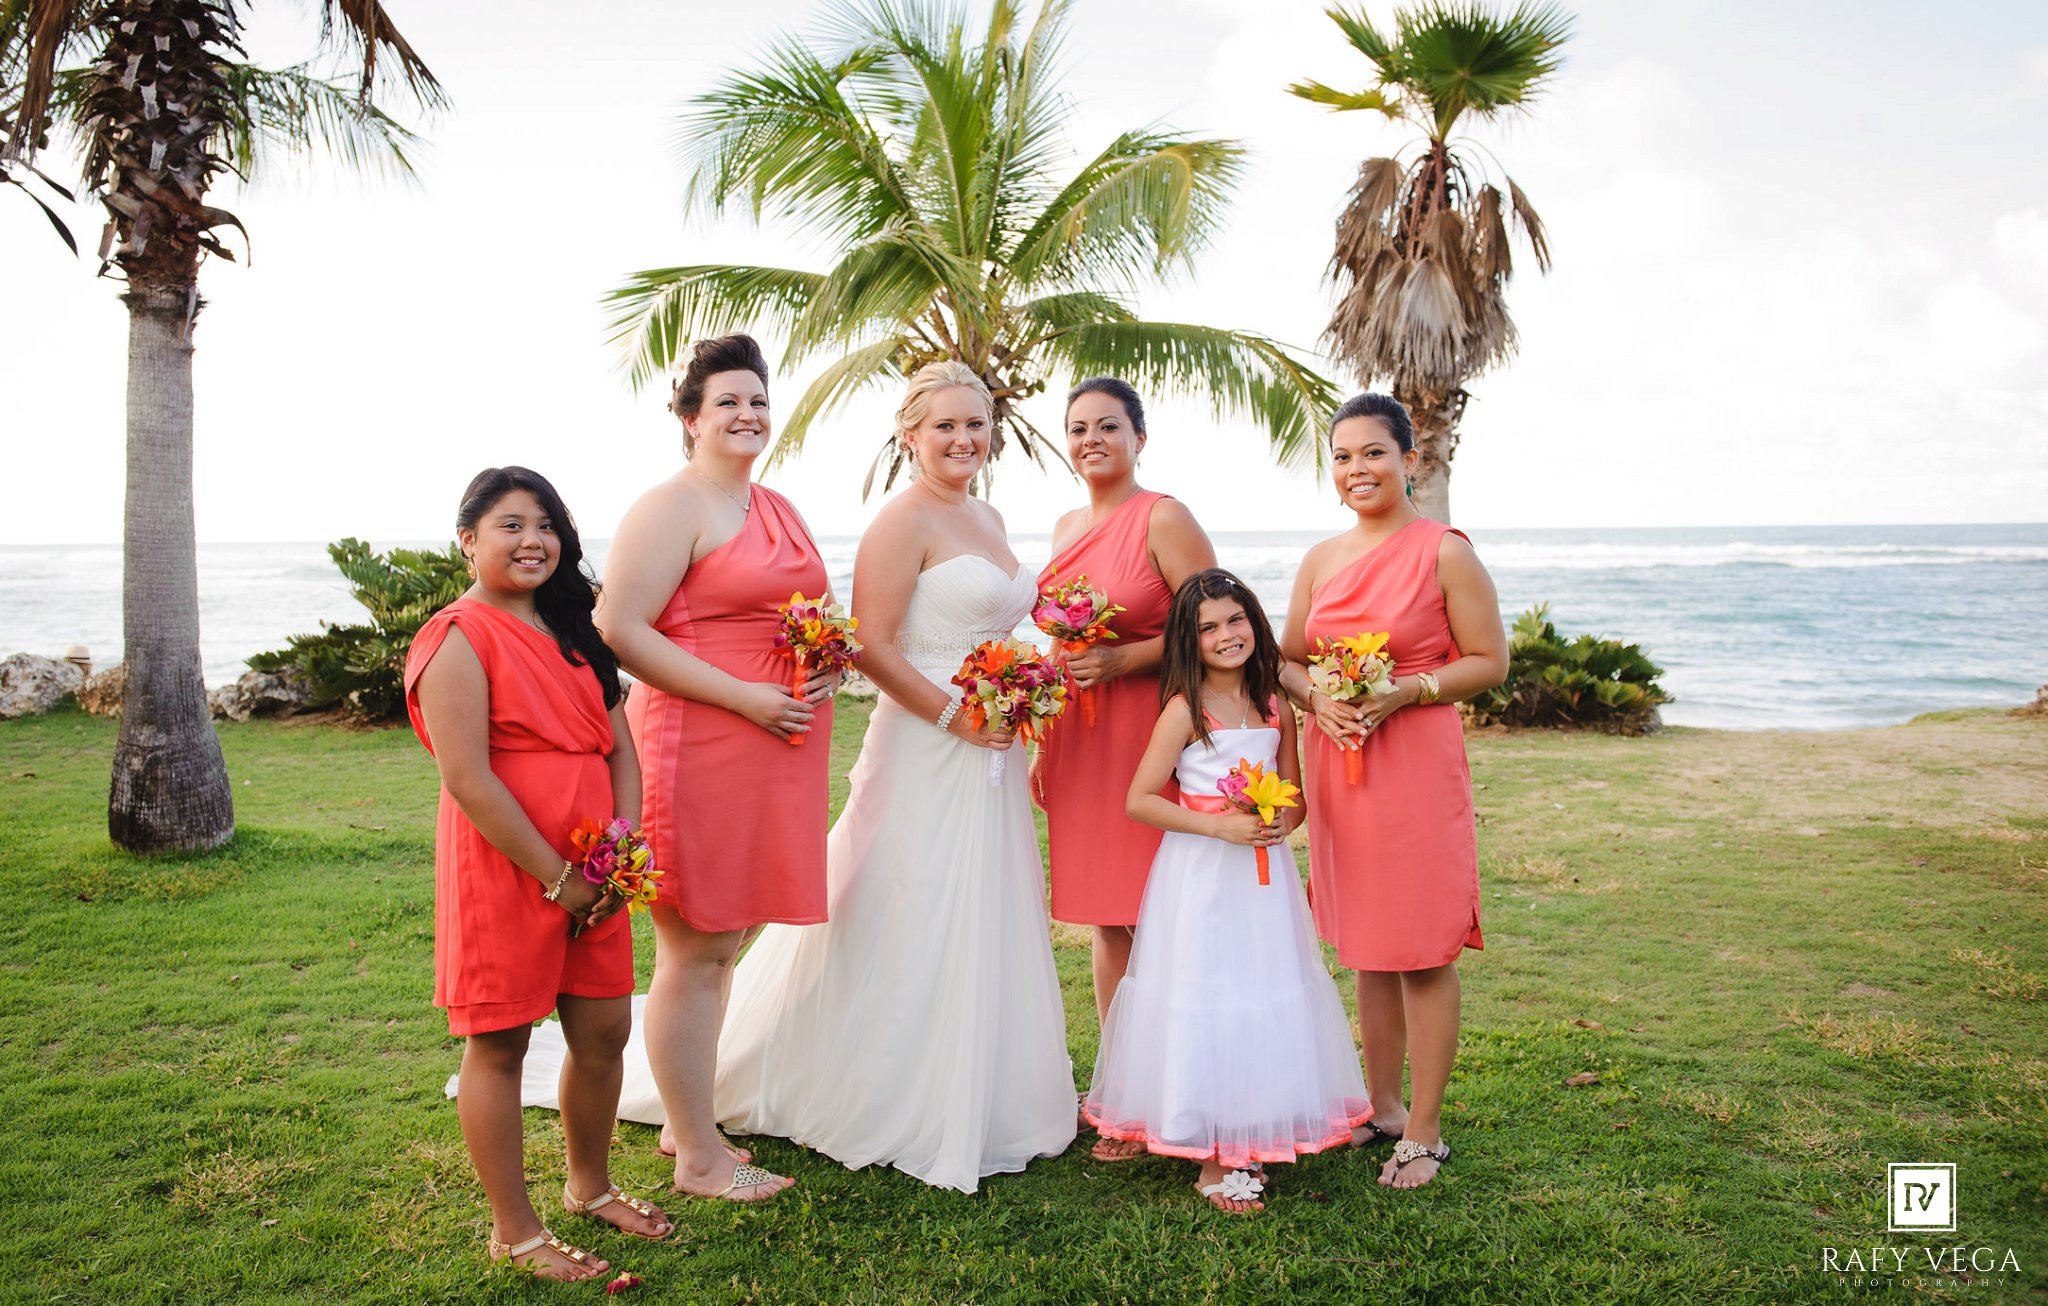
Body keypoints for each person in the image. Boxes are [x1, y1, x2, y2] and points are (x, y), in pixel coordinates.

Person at [712, 362, 1078, 1193]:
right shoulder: (899, 520)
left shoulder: (985, 513)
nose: (962, 440)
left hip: (993, 740)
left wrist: (1024, 691)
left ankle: (993, 1088)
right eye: (944, 426)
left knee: (981, 901)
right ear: (909, 435)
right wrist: (958, 716)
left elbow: (999, 617)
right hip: (928, 740)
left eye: (976, 425)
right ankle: (876, 1084)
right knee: (897, 900)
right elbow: (871, 646)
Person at [405, 467, 672, 1282]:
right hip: (507, 865)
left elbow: (620, 747)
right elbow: (468, 776)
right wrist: (560, 879)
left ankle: (589, 1188)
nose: (533, 541)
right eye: (510, 525)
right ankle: (514, 1232)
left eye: (546, 525)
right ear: (469, 541)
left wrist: (618, 853)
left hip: (597, 866)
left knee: (604, 1032)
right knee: (500, 1045)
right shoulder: (456, 634)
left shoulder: (577, 630)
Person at [590, 333, 837, 1202]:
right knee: (694, 948)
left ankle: (692, 1123)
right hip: (699, 740)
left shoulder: (779, 505)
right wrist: (744, 696)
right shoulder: (672, 506)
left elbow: (814, 613)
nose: (748, 414)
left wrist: (824, 660)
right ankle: (696, 1153)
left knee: (724, 944)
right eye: (727, 401)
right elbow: (622, 628)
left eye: (759, 400)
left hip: (776, 744)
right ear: (691, 419)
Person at [1277, 394, 1509, 1190]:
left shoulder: (1443, 550)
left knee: (1420, 948)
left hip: (1413, 765)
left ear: (1410, 460)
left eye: (1373, 453)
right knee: (1369, 949)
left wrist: (1407, 691)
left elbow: (1489, 661)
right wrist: (1318, 699)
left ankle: (1426, 1129)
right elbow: (1283, 660)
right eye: (1342, 457)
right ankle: (1378, 1107)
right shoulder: (1320, 559)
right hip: (1341, 767)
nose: (1356, 470)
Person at [1084, 569, 1370, 1214]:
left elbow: (1292, 793)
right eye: (1207, 627)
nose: (1225, 635)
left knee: (1262, 985)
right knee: (1207, 987)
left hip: (1262, 880)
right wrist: (1217, 824)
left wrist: (1278, 820)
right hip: (1202, 876)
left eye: (1235, 620)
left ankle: (1257, 1123)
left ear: (1254, 622)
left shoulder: (1275, 704)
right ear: (1190, 639)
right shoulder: (1185, 709)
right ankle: (1213, 1153)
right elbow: (1139, 800)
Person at [1030, 378, 1216, 1083]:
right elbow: (1057, 645)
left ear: (1140, 438)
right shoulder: (1064, 530)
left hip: (1150, 734)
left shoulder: (1163, 518)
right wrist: (1042, 741)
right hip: (1080, 738)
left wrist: (1126, 658)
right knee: (1108, 919)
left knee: (1162, 914)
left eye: (1108, 426)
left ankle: (1181, 1075)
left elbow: (1220, 627)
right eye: (1078, 429)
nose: (1091, 441)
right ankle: (1121, 1081)